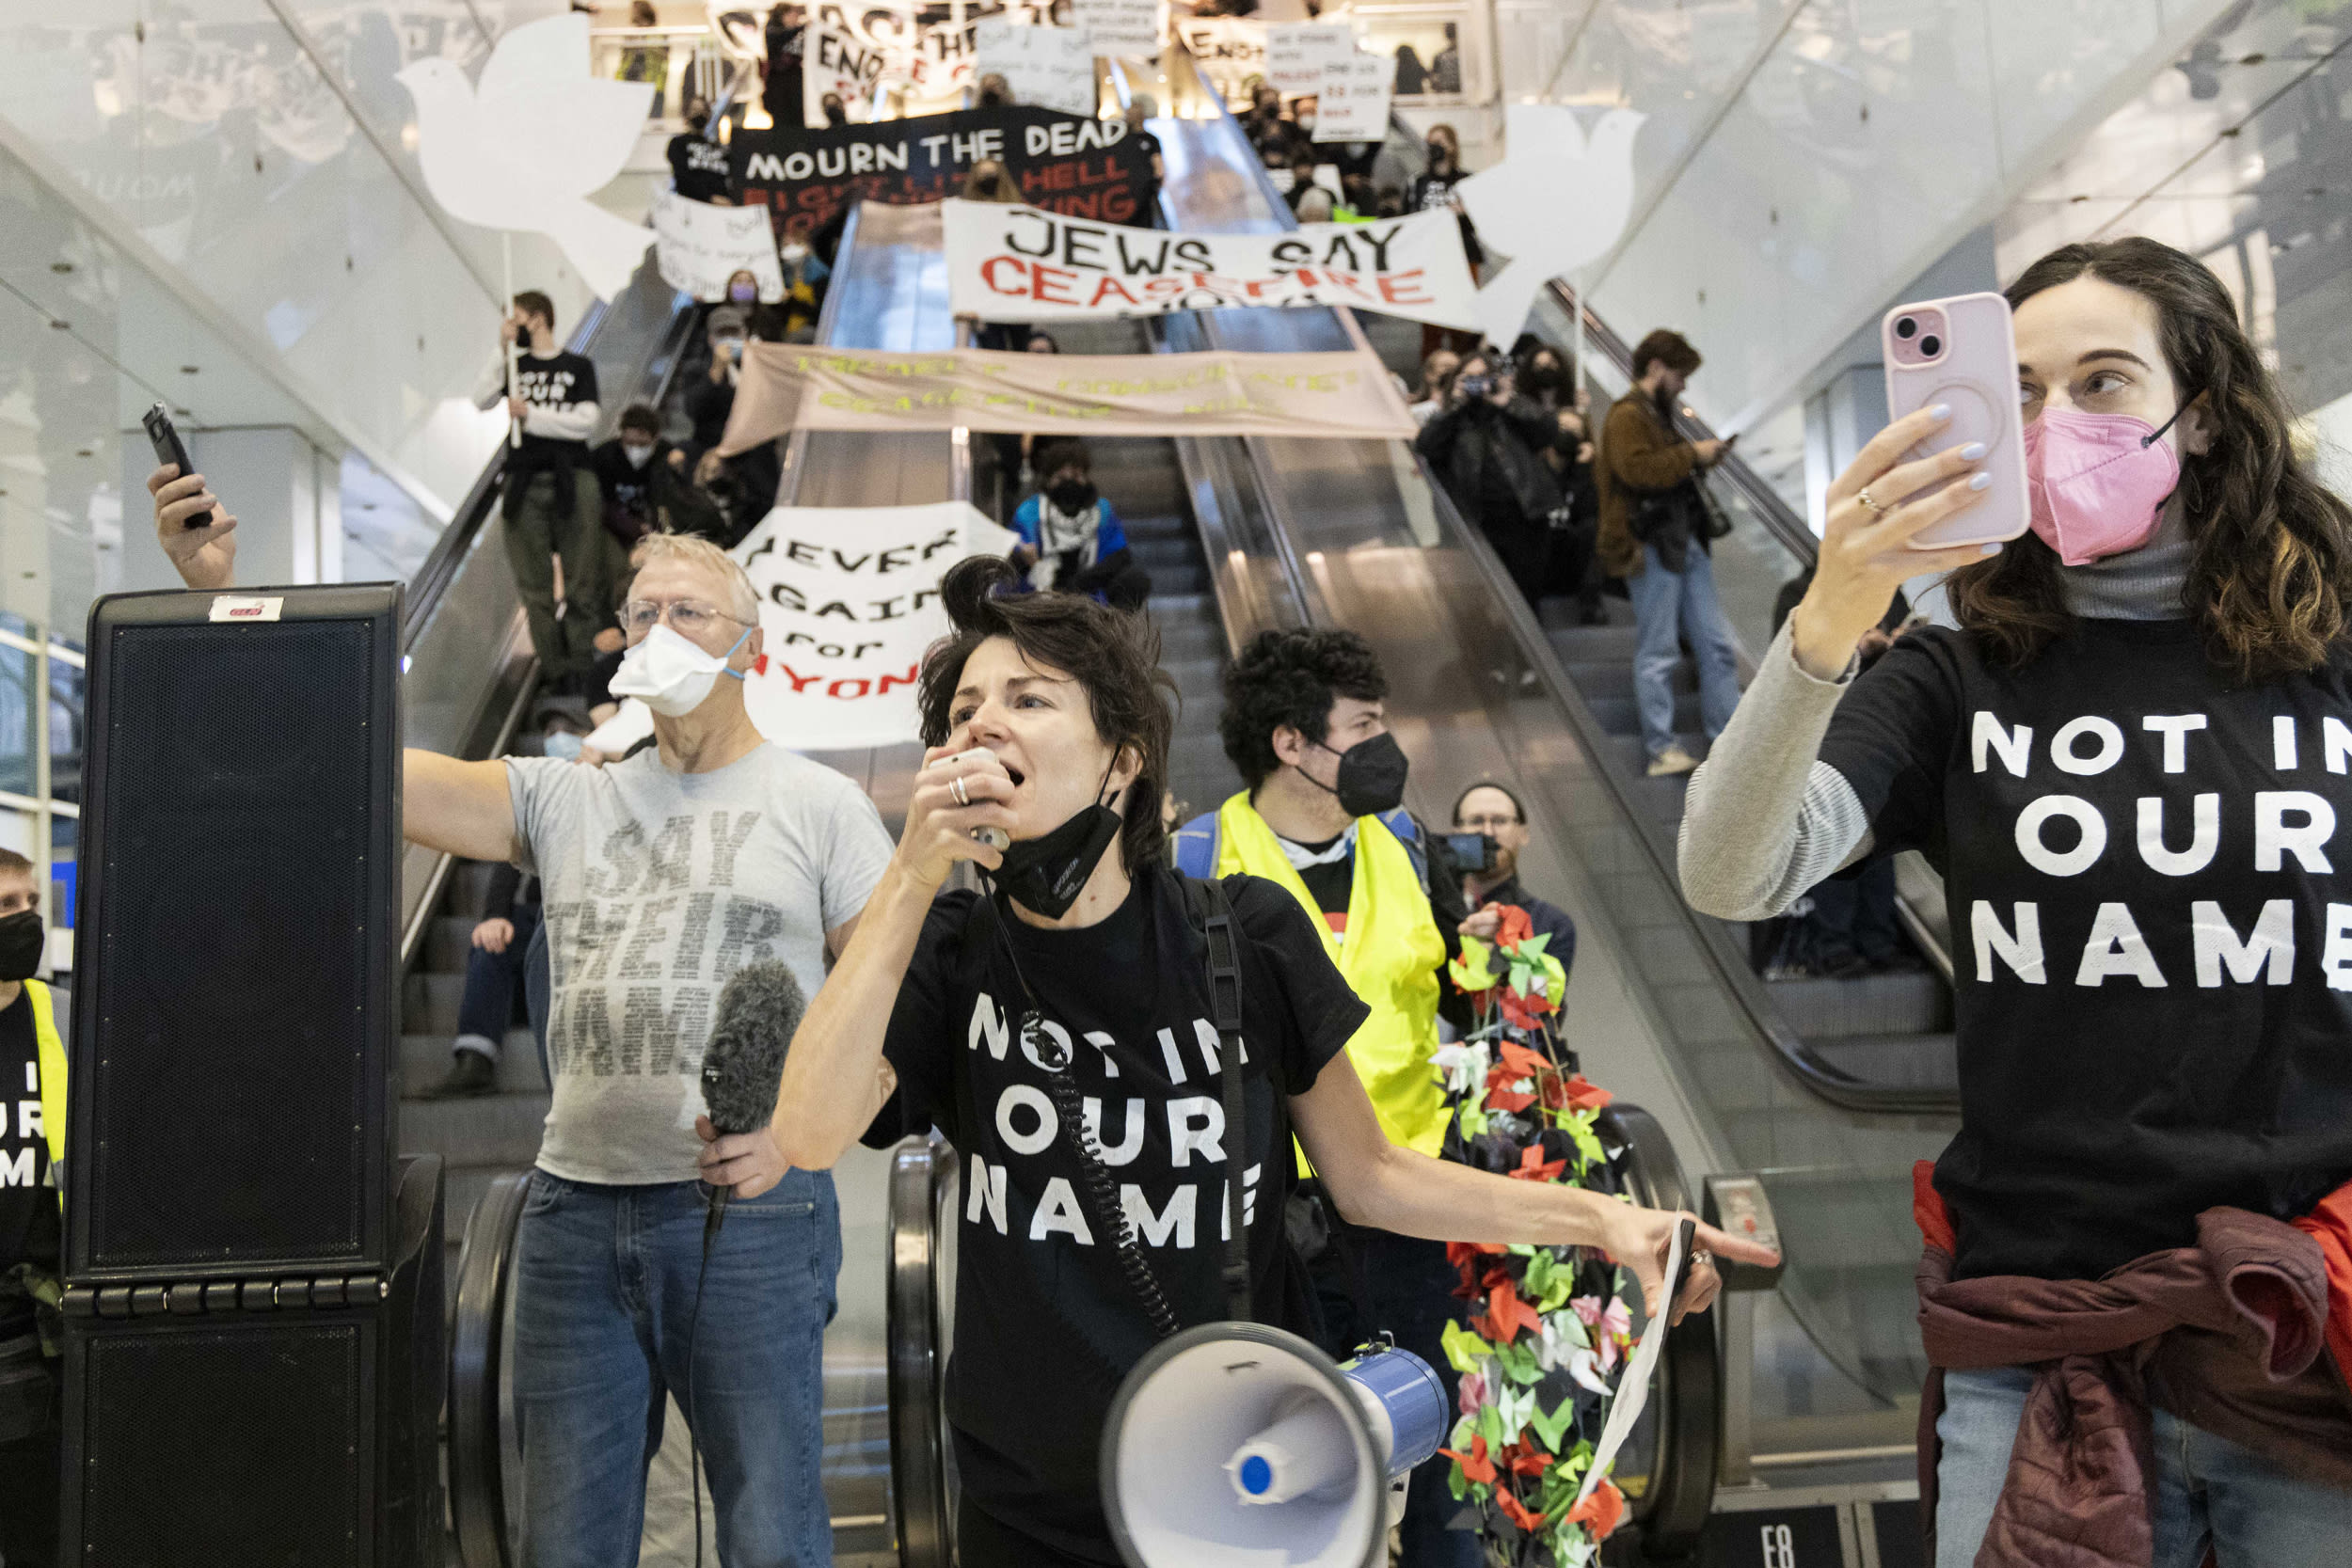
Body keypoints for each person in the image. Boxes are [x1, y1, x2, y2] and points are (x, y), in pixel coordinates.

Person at [696, 562, 1775, 1567]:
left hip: (1247, 1478)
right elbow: (808, 1132)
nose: (983, 722)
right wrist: (910, 873)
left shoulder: (1242, 931)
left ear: (1123, 757)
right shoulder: (951, 952)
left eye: (1027, 697)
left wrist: (1603, 1219)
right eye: (964, 709)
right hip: (1027, 1501)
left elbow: (1370, 1174)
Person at [1679, 235, 2352, 1567]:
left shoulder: (2332, 654)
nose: (2059, 426)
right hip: (2032, 1331)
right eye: (2022, 391)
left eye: (2105, 381)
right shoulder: (1951, 675)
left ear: (2201, 408)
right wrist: (1828, 617)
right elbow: (1731, 868)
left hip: (2309, 1323)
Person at [142, 481, 899, 1567]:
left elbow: (880, 1021)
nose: (659, 630)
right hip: (573, 1218)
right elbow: (348, 751)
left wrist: (795, 1139)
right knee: (566, 1541)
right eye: (641, 612)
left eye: (689, 612)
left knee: (772, 1530)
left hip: (750, 1219)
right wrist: (224, 595)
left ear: (752, 647)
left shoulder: (817, 804)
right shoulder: (563, 798)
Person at [1167, 627, 1484, 1567]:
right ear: (1290, 744)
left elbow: (1464, 996)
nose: (1387, 747)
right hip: (1272, 1226)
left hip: (1418, 1207)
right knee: (1289, 1467)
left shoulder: (1408, 844)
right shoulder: (1198, 861)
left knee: (1444, 1467)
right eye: (1365, 726)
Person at [1597, 327, 1738, 777]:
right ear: (1656, 368)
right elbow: (1635, 470)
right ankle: (1661, 748)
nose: (1682, 385)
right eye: (1679, 375)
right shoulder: (1626, 416)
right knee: (1659, 650)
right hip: (1652, 544)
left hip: (1681, 542)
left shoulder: (1651, 415)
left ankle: (1728, 743)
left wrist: (1695, 458)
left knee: (1716, 647)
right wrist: (1692, 455)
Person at [422, 708, 573, 1100]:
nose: (559, 743)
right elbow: (513, 857)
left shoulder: (611, 786)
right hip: (543, 934)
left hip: (586, 931)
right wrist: (494, 916)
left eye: (567, 734)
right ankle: (475, 1059)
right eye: (551, 734)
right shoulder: (551, 800)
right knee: (496, 940)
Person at [474, 290, 612, 693]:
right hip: (522, 481)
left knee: (582, 579)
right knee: (534, 587)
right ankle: (555, 672)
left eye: (515, 317)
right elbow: (480, 398)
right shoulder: (513, 367)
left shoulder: (577, 366)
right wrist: (500, 350)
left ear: (538, 317)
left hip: (574, 477)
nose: (511, 324)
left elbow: (585, 422)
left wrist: (531, 416)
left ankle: (585, 669)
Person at [0, 848, 64, 1568]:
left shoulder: (63, 1014)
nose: (25, 920)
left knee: (38, 1530)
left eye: (28, 901)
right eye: (5, 907)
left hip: (41, 1321)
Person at [1414, 349, 1562, 609]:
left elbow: (1548, 432)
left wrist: (1508, 401)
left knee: (1526, 599)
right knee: (1479, 603)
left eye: (1483, 377)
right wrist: (1455, 404)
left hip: (1525, 519)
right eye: (1468, 378)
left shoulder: (1512, 411)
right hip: (1477, 522)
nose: (1476, 385)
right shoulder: (1451, 419)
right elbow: (1426, 445)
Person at [1010, 440, 1150, 611]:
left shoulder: (1101, 511)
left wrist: (1076, 585)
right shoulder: (1029, 513)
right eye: (1061, 478)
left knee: (1135, 579)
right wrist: (1026, 557)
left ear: (1086, 478)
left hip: (1091, 593)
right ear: (1047, 481)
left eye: (1076, 476)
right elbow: (1014, 549)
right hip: (1040, 594)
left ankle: (1112, 632)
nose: (1069, 484)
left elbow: (1120, 556)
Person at [1451, 782, 1575, 972]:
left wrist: (1497, 957)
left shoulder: (1550, 924)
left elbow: (1545, 997)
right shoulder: (1426, 909)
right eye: (1476, 821)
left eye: (1500, 821)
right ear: (1456, 833)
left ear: (1523, 834)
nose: (1487, 832)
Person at [593, 403, 724, 550]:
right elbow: (606, 506)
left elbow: (668, 501)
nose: (635, 450)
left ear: (655, 439)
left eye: (642, 444)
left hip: (658, 520)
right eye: (629, 443)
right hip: (620, 527)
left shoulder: (665, 455)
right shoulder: (605, 457)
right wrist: (636, 527)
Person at [666, 96, 734, 203]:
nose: (699, 114)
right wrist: (710, 198)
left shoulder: (719, 148)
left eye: (703, 111)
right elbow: (683, 178)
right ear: (687, 115)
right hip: (691, 207)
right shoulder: (678, 143)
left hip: (721, 209)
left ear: (709, 116)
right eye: (695, 110)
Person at [1122, 94, 1165, 226]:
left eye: (1134, 107)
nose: (1129, 110)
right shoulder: (1120, 137)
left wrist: (1152, 189)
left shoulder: (1151, 140)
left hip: (1142, 200)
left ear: (1143, 112)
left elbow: (1159, 169)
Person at [763, 3, 805, 129]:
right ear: (784, 16)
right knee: (782, 118)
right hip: (778, 83)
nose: (796, 18)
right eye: (793, 15)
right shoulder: (772, 30)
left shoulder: (799, 35)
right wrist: (801, 28)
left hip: (796, 82)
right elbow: (779, 37)